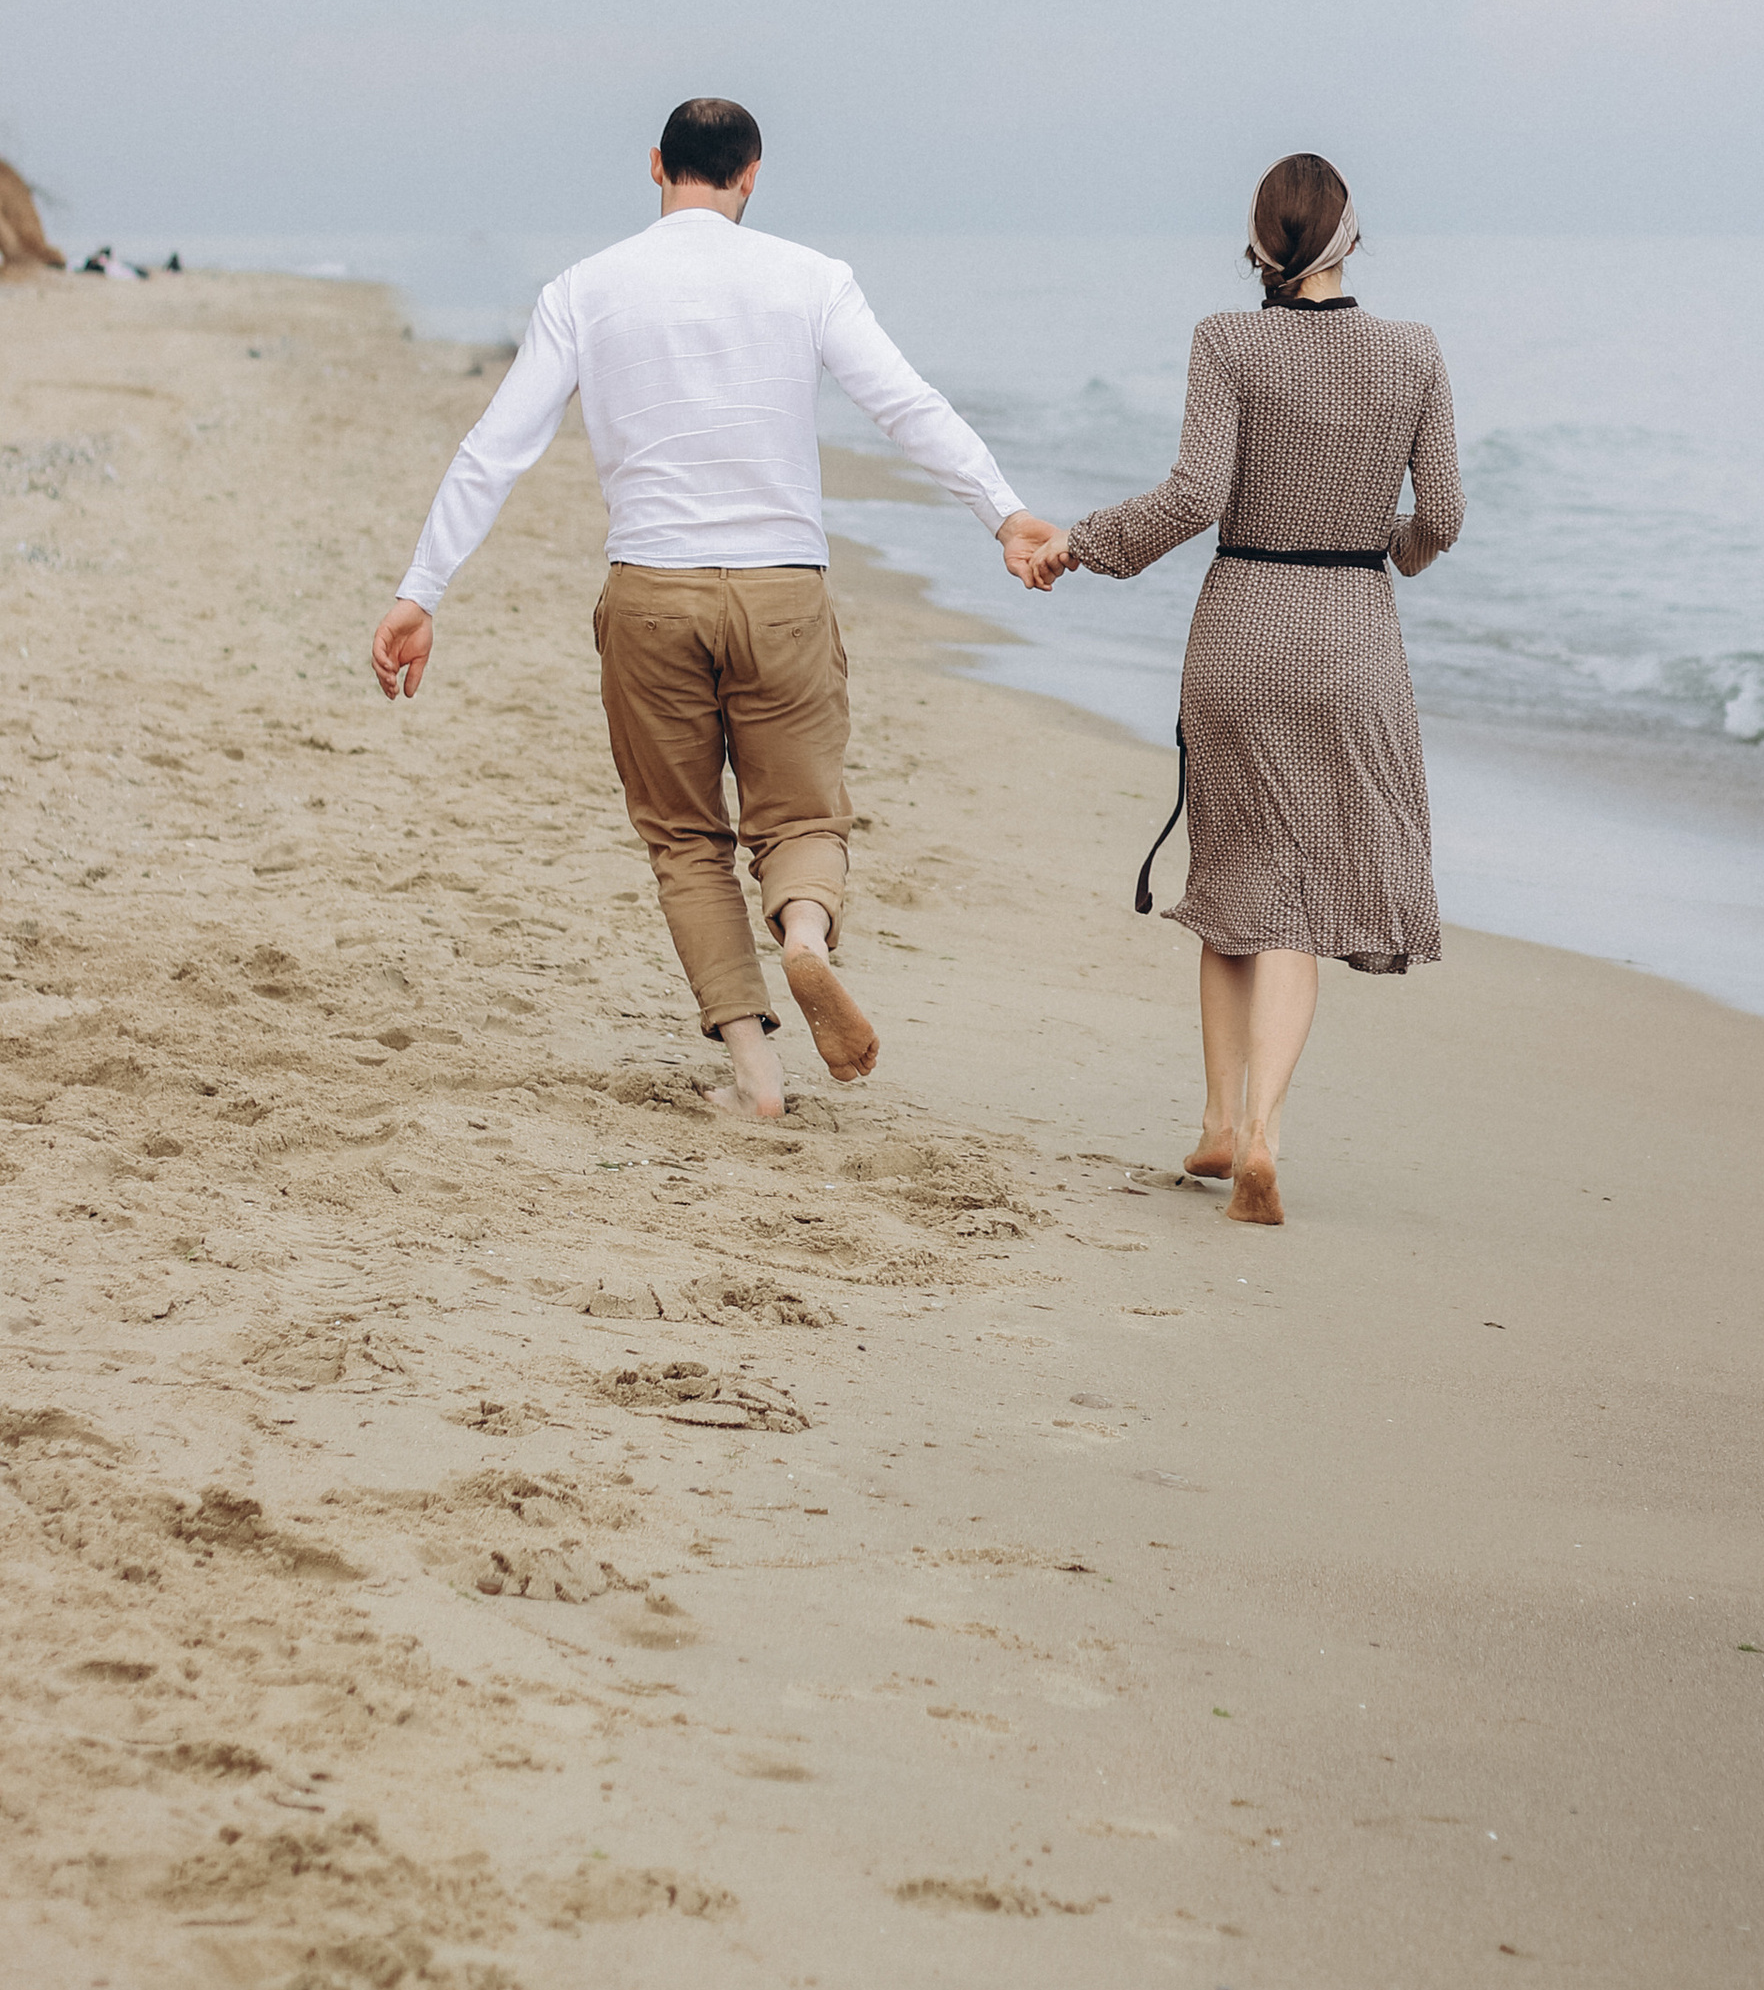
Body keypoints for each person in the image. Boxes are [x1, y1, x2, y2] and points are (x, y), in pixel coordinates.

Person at [370, 99, 1060, 1118]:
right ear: (751, 175)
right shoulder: (810, 278)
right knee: (803, 815)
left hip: (651, 592)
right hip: (783, 589)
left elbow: (495, 449)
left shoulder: (583, 289)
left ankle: (755, 1076)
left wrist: (420, 591)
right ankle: (805, 937)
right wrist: (1002, 512)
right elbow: (906, 405)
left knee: (686, 840)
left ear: (656, 165)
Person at [1032, 154, 1464, 1224]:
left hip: (1239, 632)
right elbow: (1444, 516)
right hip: (1350, 635)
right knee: (1301, 900)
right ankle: (1263, 1133)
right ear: (1351, 237)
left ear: (1259, 244)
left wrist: (1082, 543)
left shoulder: (1227, 340)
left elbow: (1196, 495)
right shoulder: (1413, 350)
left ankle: (1220, 1123)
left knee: (1231, 878)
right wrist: (1393, 550)